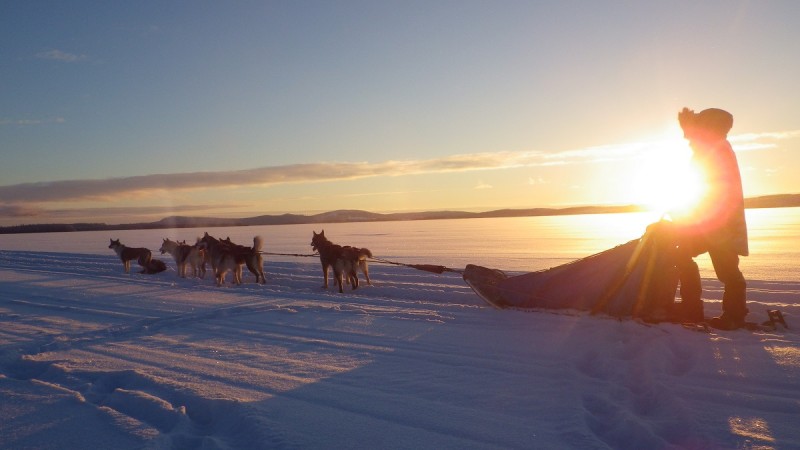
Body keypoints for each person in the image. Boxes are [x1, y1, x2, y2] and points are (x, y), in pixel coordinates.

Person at [671, 107, 749, 329]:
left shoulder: (715, 150)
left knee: (726, 269)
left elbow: (714, 188)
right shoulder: (711, 148)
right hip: (707, 222)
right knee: (682, 255)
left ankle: (733, 315)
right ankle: (693, 307)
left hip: (719, 224)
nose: (688, 139)